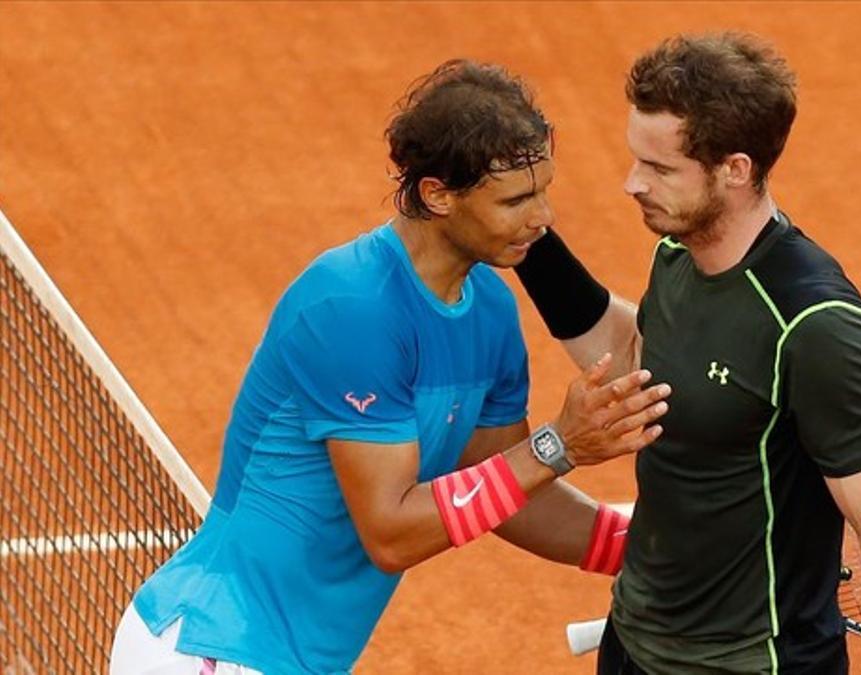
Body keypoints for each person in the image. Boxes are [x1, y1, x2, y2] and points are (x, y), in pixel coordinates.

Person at [108, 59, 670, 675]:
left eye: (542, 191)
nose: (542, 218)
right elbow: (391, 532)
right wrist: (559, 443)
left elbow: (508, 489)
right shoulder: (351, 308)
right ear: (437, 195)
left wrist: (645, 552)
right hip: (214, 649)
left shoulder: (488, 308)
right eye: (514, 199)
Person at [514, 33, 861, 674]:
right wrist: (528, 240)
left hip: (751, 663)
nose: (632, 183)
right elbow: (636, 361)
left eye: (659, 168)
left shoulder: (815, 324)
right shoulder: (678, 255)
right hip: (635, 641)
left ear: (735, 169)